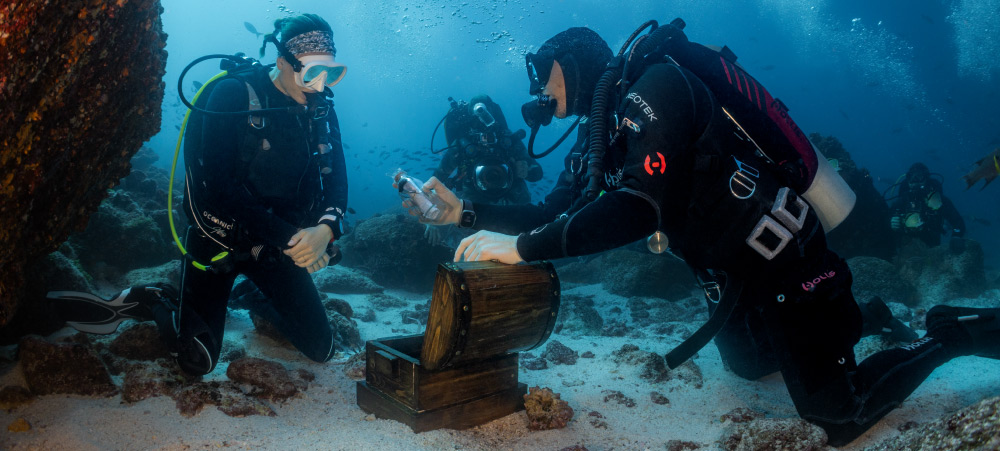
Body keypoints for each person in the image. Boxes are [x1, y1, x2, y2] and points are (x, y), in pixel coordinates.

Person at [402, 24, 998, 446]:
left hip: (786, 262)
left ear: (575, 61)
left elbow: (637, 211)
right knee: (748, 365)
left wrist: (523, 251)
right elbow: (552, 211)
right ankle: (863, 317)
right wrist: (464, 214)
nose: (537, 89)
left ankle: (950, 335)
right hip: (731, 277)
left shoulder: (658, 87)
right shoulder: (599, 138)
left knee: (837, 416)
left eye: (544, 71)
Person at [49, 13, 349, 376]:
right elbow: (218, 188)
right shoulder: (232, 94)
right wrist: (294, 239)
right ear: (283, 61)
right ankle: (158, 299)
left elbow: (336, 182)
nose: (320, 85)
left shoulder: (321, 110)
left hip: (274, 248)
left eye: (332, 73)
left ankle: (251, 296)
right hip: (218, 240)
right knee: (197, 362)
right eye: (312, 72)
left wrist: (323, 232)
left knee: (321, 349)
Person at [432, 95, 543, 206]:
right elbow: (438, 178)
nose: (482, 121)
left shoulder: (508, 140)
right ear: (470, 118)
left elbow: (537, 173)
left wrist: (525, 170)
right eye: (476, 118)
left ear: (493, 114)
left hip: (510, 200)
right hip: (474, 202)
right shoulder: (462, 145)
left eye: (486, 115)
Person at [889, 162, 965, 247]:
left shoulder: (938, 200)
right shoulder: (901, 202)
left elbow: (958, 222)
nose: (915, 181)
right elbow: (884, 225)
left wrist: (956, 236)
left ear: (926, 179)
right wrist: (891, 223)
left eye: (919, 176)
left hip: (932, 246)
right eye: (911, 177)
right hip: (905, 248)